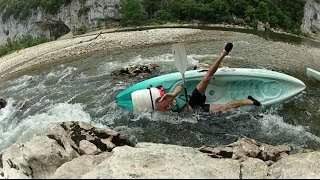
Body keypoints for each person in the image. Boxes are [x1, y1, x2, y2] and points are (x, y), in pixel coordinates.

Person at [131, 43, 261, 113]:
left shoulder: (163, 93)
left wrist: (174, 94)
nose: (162, 100)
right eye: (159, 102)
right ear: (154, 106)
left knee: (206, 78)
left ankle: (223, 53)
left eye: (160, 98)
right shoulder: (159, 114)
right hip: (197, 111)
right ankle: (249, 101)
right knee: (224, 108)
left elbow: (179, 86)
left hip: (191, 98)